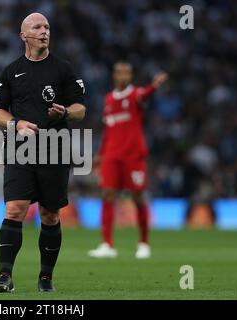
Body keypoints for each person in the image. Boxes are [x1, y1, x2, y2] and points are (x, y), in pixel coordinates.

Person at [0, 12, 86, 292]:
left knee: (50, 215)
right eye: (37, 27)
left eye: (46, 26)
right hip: (20, 150)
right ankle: (5, 277)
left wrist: (67, 111)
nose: (44, 31)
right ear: (24, 35)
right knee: (15, 208)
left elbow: (81, 109)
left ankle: (46, 278)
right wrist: (15, 123)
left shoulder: (64, 69)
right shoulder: (11, 72)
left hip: (54, 149)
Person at [88, 62, 167, 259]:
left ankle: (143, 243)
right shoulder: (108, 99)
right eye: (120, 72)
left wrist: (154, 86)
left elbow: (145, 94)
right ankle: (107, 244)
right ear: (114, 75)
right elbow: (107, 130)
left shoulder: (135, 95)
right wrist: (100, 154)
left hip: (133, 156)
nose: (124, 76)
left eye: (127, 73)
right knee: (107, 194)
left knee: (138, 197)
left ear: (131, 76)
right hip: (112, 155)